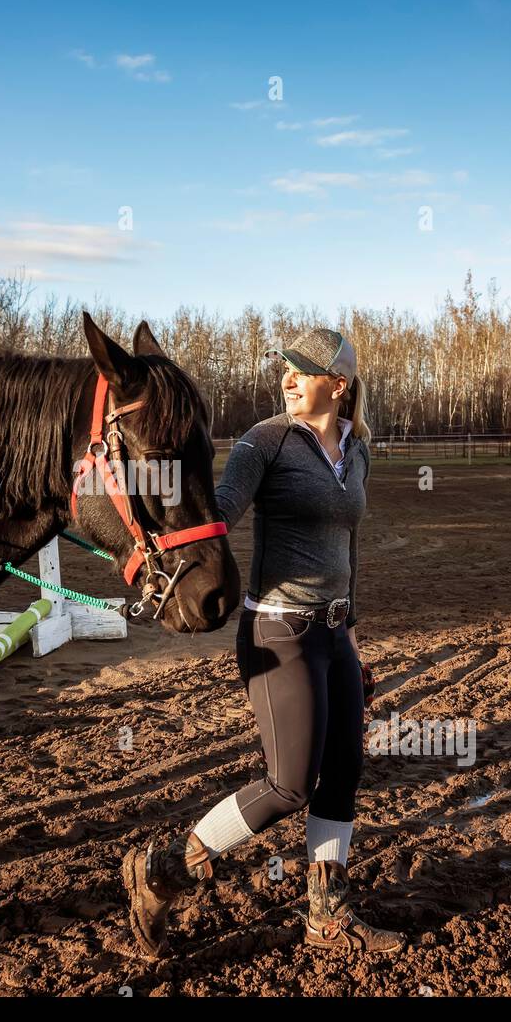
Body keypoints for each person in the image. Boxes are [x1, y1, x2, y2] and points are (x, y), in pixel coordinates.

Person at [121, 327, 406, 957]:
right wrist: (153, 537)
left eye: (302, 370)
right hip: (279, 632)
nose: (287, 378)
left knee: (344, 777)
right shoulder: (265, 443)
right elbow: (213, 511)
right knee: (289, 784)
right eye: (285, 369)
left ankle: (327, 917)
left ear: (340, 383)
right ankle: (164, 871)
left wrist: (353, 639)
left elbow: (347, 548)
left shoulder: (357, 448)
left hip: (334, 633)